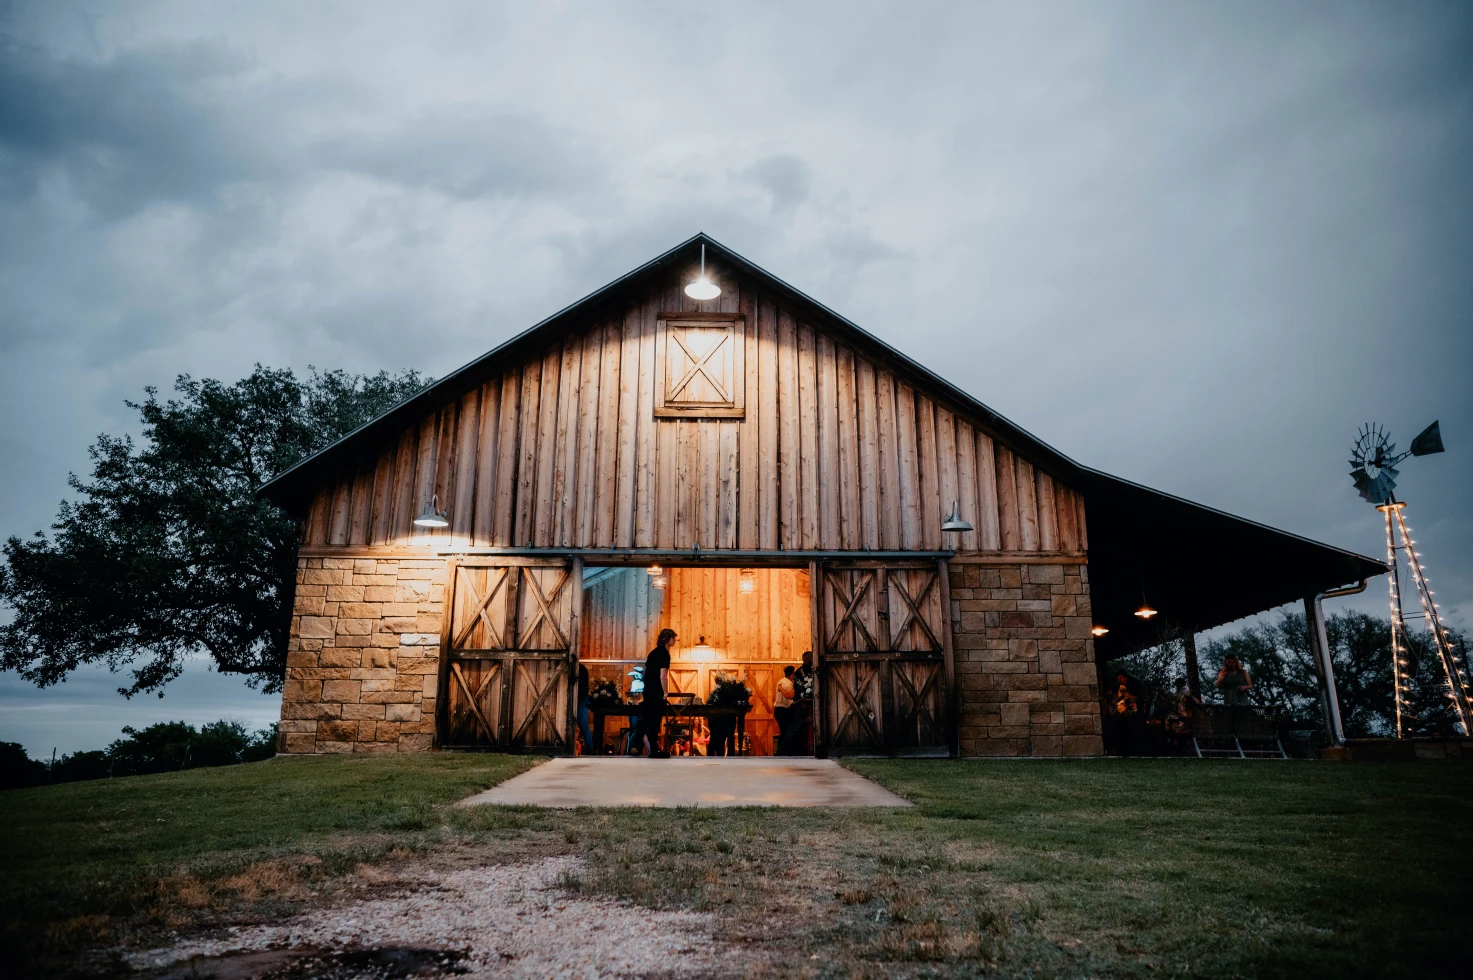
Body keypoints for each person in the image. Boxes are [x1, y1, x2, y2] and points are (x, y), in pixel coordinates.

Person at [638, 628, 676, 758]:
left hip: (648, 690)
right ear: (667, 639)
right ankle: (653, 749)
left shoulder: (653, 653)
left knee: (647, 718)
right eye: (673, 638)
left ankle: (637, 745)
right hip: (656, 691)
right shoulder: (664, 654)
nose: (674, 640)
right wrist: (665, 692)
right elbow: (663, 675)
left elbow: (646, 672)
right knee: (655, 720)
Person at [780, 651, 816, 756]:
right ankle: (784, 750)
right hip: (800, 704)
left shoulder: (813, 670)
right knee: (796, 727)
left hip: (806, 704)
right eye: (811, 658)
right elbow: (799, 689)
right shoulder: (799, 672)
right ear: (806, 659)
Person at [773, 666, 796, 754]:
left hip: (778, 709)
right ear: (792, 674)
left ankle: (780, 750)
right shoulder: (789, 684)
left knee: (783, 730)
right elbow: (789, 697)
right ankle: (782, 751)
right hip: (784, 710)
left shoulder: (781, 681)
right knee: (786, 731)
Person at [576, 662, 593, 755]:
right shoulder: (582, 668)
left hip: (580, 699)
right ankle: (591, 751)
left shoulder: (579, 668)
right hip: (583, 699)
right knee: (584, 726)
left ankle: (590, 751)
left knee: (583, 726)